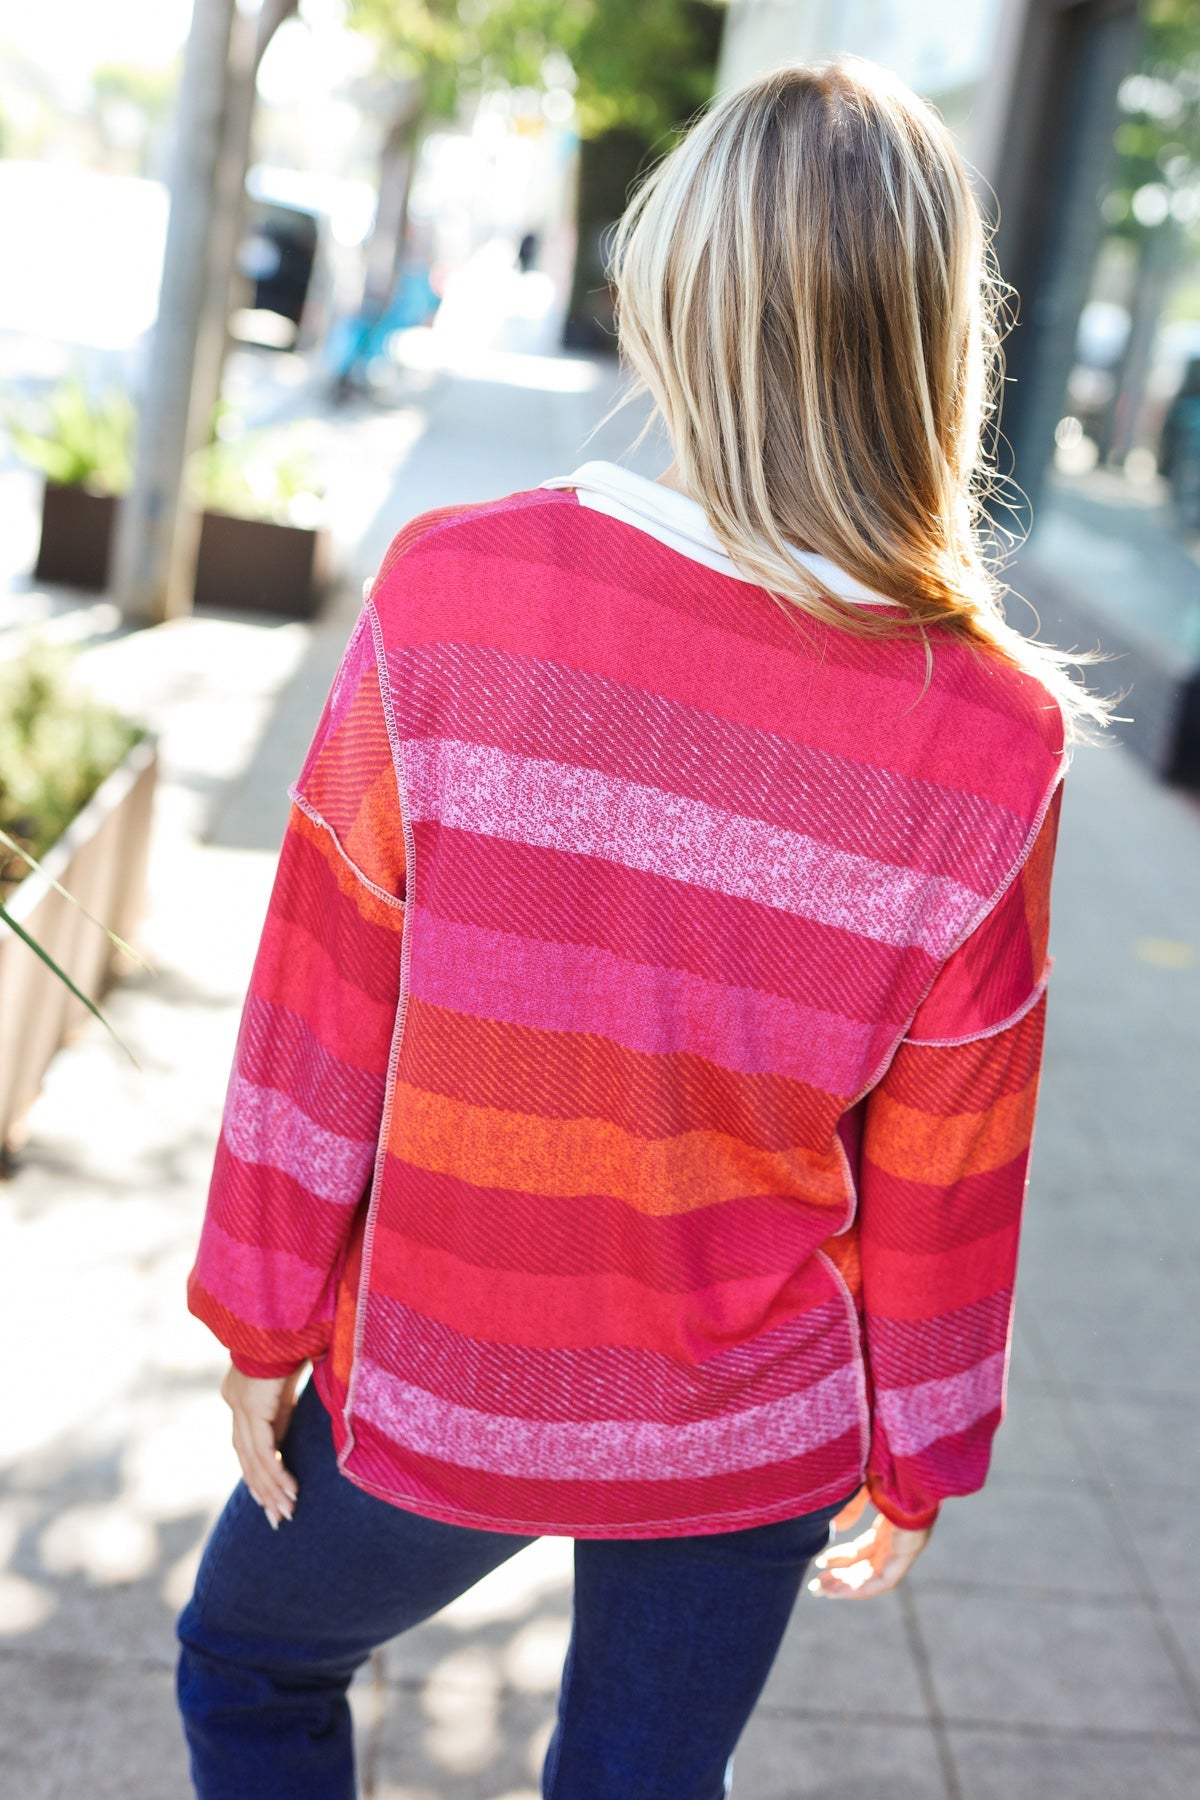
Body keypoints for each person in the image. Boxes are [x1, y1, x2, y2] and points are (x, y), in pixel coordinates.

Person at [176, 56, 1104, 1800]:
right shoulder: (994, 737)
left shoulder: (457, 593)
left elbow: (322, 996)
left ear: (674, 293)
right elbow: (954, 1158)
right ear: (931, 348)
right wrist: (921, 1449)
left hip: (441, 1373)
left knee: (247, 1660)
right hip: (749, 1425)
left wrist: (261, 1314)